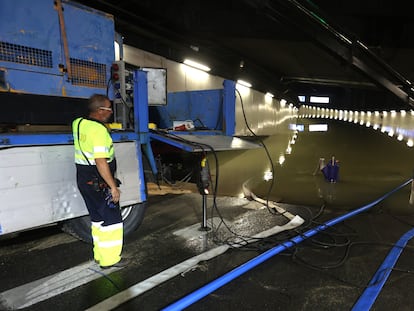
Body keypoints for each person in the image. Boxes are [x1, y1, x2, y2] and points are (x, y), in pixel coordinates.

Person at [72, 94, 128, 269]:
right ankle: (110, 260)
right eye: (109, 109)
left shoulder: (78, 123)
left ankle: (99, 255)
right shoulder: (99, 131)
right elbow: (100, 160)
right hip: (99, 183)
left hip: (84, 180)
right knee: (112, 221)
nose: (111, 112)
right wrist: (113, 187)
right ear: (100, 111)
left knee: (97, 220)